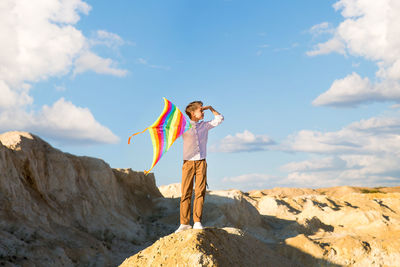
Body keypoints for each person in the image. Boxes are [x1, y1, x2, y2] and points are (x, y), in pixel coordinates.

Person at [175, 101, 224, 233]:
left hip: (201, 162)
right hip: (188, 163)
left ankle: (197, 222)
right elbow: (169, 132)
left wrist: (211, 108)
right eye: (201, 110)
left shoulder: (205, 125)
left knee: (200, 192)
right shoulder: (183, 127)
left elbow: (220, 118)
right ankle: (184, 223)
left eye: (203, 111)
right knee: (186, 193)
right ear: (192, 113)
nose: (203, 113)